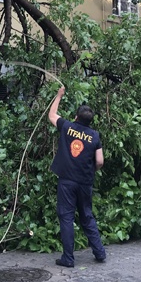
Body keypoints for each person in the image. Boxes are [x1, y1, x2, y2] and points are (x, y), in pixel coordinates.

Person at [48, 86, 106, 267]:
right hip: (85, 183)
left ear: (76, 117)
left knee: (66, 217)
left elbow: (51, 115)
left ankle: (68, 258)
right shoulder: (94, 136)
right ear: (90, 121)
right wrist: (91, 171)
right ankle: (100, 253)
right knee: (87, 216)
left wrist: (59, 96)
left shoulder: (67, 127)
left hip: (67, 181)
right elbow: (100, 161)